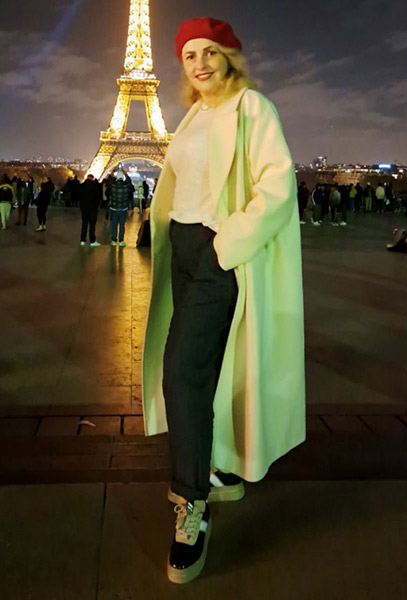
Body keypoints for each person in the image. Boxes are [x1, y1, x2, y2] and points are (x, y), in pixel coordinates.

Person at [142, 17, 305, 584]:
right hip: (184, 251)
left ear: (229, 56)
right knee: (207, 368)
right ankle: (220, 468)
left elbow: (278, 185)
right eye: (189, 56)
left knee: (182, 371)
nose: (200, 64)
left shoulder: (251, 107)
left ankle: (191, 504)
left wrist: (225, 243)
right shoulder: (192, 116)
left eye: (210, 52)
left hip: (216, 252)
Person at [108, 167, 132, 246]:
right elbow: (129, 180)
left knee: (114, 225)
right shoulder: (126, 186)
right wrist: (125, 172)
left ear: (117, 178)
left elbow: (109, 179)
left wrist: (113, 171)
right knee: (122, 226)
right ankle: (121, 241)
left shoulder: (113, 186)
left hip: (114, 209)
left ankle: (113, 240)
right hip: (123, 209)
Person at [79, 174, 102, 246]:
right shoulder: (94, 186)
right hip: (93, 208)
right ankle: (92, 241)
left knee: (84, 224)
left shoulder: (82, 186)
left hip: (84, 208)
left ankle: (82, 240)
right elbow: (98, 196)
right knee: (92, 225)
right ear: (92, 178)